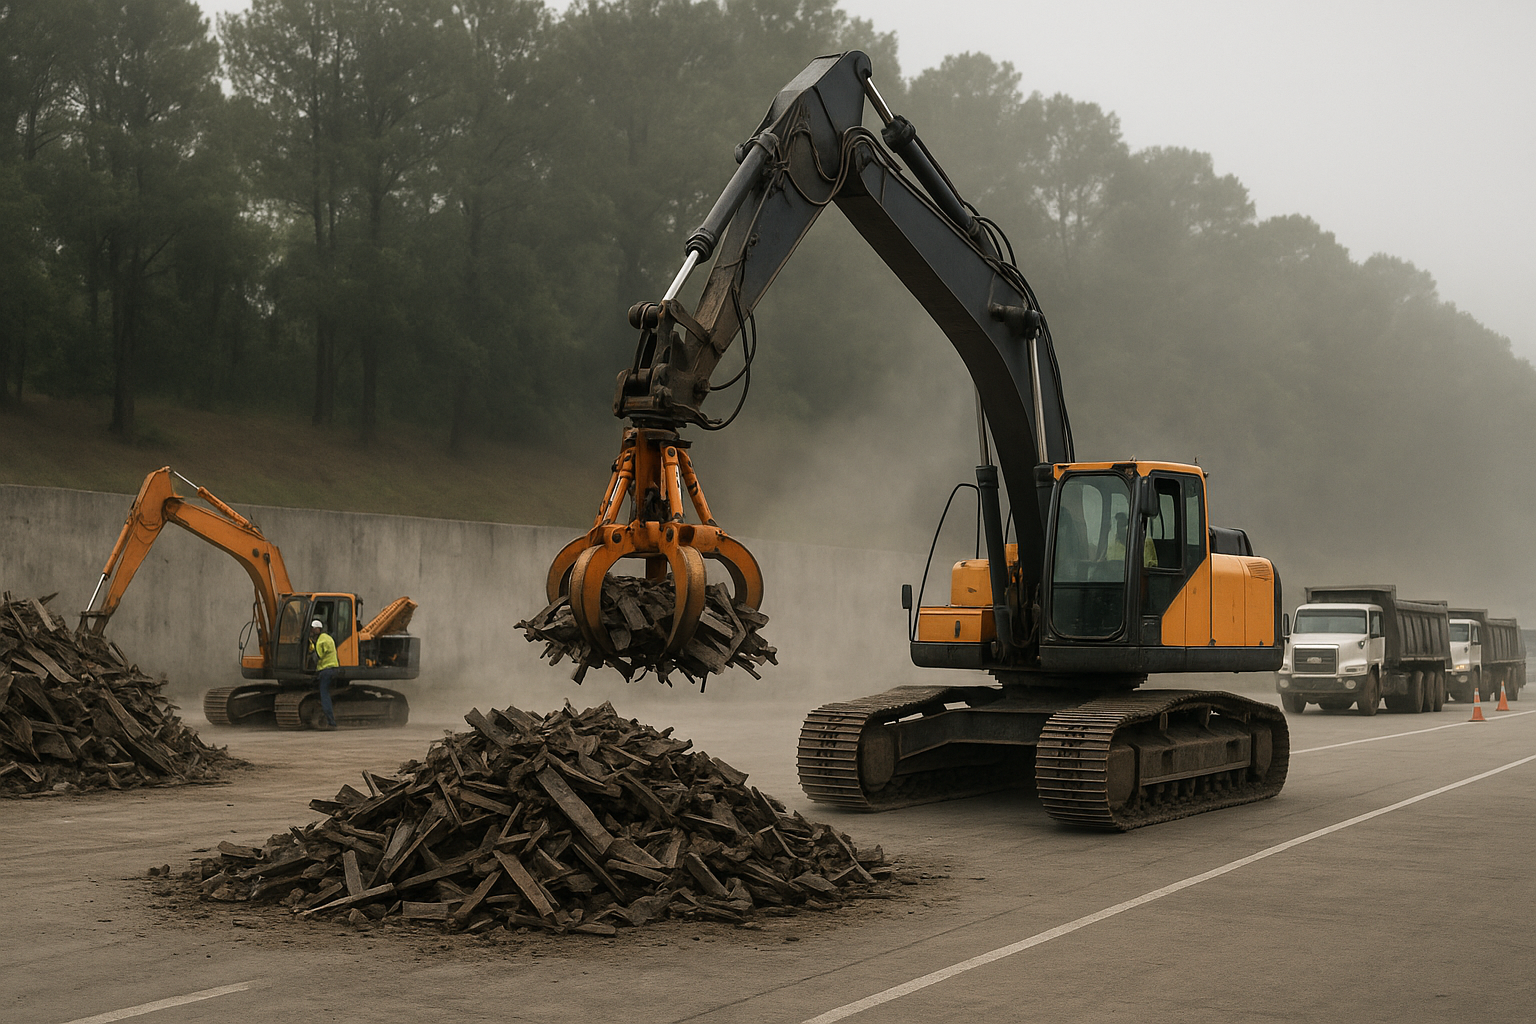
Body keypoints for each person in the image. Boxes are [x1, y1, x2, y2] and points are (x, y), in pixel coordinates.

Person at [309, 619, 340, 729]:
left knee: (324, 694)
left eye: (312, 628)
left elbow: (317, 657)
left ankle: (331, 722)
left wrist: (309, 650)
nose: (311, 631)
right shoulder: (325, 638)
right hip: (329, 669)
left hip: (326, 670)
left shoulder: (322, 641)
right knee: (322, 692)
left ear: (318, 629)